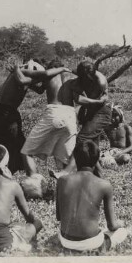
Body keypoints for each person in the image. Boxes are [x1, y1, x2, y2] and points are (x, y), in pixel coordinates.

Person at [0, 60, 70, 173]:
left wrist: (48, 82)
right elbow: (28, 79)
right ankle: (21, 174)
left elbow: (40, 89)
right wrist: (17, 68)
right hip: (4, 113)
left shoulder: (21, 74)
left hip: (4, 112)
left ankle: (5, 171)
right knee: (19, 146)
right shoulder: (21, 74)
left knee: (12, 145)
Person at [56, 140, 132, 252]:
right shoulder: (104, 185)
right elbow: (112, 226)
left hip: (65, 241)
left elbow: (59, 217)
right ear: (97, 160)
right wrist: (120, 225)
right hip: (91, 244)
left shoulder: (62, 181)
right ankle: (124, 233)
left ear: (75, 159)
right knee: (120, 232)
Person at [20, 59, 77, 195]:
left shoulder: (49, 74)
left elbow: (37, 86)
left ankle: (34, 187)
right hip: (70, 114)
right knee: (65, 156)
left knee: (26, 152)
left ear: (51, 67)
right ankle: (67, 191)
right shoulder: (72, 77)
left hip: (54, 113)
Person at [50, 60, 110, 178]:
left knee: (82, 138)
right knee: (93, 148)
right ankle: (99, 178)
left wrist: (96, 101)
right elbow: (79, 99)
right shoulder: (81, 75)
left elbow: (102, 99)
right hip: (90, 111)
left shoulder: (101, 81)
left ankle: (67, 171)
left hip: (101, 112)